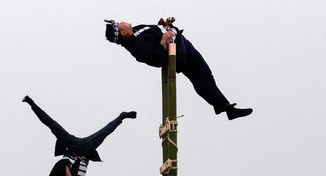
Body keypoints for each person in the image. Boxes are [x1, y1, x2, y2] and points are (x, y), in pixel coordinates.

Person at [104, 19, 252, 120]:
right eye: (118, 24)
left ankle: (224, 107)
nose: (121, 21)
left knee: (207, 77)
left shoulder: (136, 29)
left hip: (181, 42)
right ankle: (227, 109)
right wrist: (163, 39)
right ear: (122, 33)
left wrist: (163, 26)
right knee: (201, 80)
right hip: (179, 54)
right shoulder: (135, 47)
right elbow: (156, 59)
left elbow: (153, 36)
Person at [23, 95, 136, 176]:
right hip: (86, 151)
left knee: (52, 125)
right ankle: (121, 117)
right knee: (104, 133)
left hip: (72, 146)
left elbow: (64, 163)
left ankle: (31, 103)